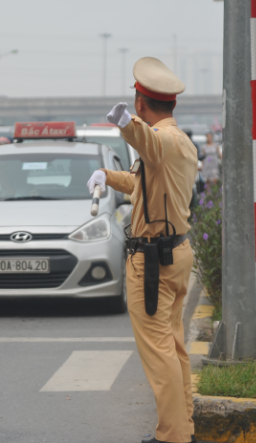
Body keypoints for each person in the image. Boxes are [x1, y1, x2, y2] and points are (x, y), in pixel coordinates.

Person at [87, 57, 197, 443]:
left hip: (152, 260)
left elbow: (146, 141)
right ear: (173, 103)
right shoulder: (180, 142)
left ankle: (173, 436)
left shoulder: (160, 141)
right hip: (174, 253)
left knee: (159, 351)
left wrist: (124, 122)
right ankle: (183, 428)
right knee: (174, 347)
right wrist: (107, 176)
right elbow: (141, 183)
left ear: (140, 102)